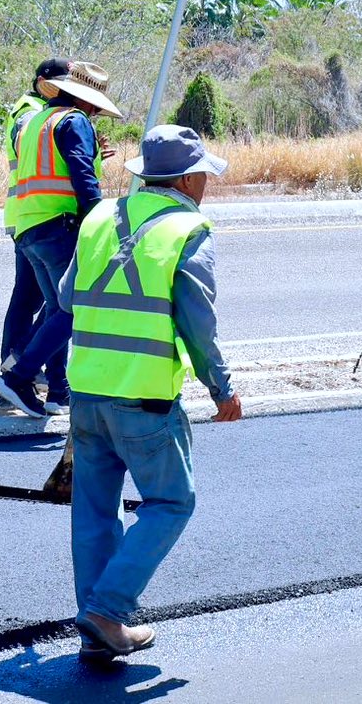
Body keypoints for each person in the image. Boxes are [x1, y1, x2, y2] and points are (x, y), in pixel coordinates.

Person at [61, 124, 243, 659]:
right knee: (171, 502)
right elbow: (197, 322)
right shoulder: (189, 229)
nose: (207, 185)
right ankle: (106, 610)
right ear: (187, 179)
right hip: (143, 397)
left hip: (86, 390)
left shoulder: (100, 216)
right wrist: (221, 388)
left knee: (94, 510)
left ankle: (98, 633)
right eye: (204, 175)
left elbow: (69, 296)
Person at [0, 61, 122, 418]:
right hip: (59, 226)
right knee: (74, 307)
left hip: (28, 226)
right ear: (85, 100)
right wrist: (101, 221)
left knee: (55, 308)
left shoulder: (35, 120)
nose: (96, 112)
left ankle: (58, 390)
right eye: (95, 105)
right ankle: (18, 376)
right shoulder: (73, 120)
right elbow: (82, 173)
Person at [0, 60, 68, 375]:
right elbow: (28, 144)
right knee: (38, 299)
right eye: (58, 82)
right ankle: (19, 364)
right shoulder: (30, 110)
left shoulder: (43, 108)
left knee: (40, 299)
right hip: (35, 213)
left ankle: (26, 365)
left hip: (31, 213)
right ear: (42, 81)